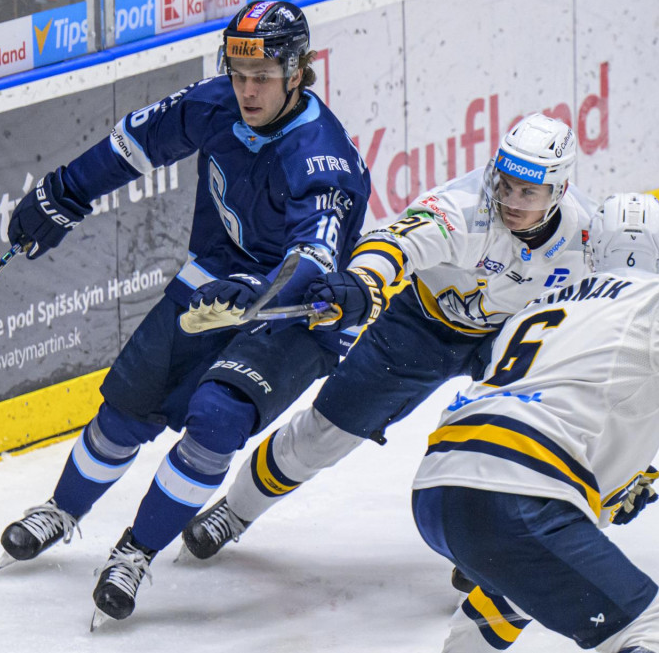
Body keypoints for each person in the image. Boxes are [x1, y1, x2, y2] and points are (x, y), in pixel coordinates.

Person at [0, 0, 371, 626]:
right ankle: (63, 510)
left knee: (217, 419)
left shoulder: (321, 159)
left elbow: (311, 264)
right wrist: (65, 192)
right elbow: (136, 143)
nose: (247, 91)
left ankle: (135, 552)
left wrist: (250, 292)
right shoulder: (217, 101)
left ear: (298, 71)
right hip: (217, 274)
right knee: (126, 409)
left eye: (263, 77)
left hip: (300, 314)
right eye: (238, 73)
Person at [182, 112, 598, 564]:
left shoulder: (590, 236)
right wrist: (363, 281)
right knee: (324, 433)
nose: (511, 200)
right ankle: (237, 511)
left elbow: (630, 307)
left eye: (528, 192)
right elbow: (397, 244)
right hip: (421, 324)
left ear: (558, 191)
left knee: (528, 434)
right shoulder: (463, 208)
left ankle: (494, 551)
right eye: (506, 185)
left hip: (514, 337)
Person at [407, 192, 659, 652]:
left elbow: (560, 402)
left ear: (592, 252)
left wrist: (599, 487)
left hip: (440, 490)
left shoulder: (535, 310)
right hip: (519, 487)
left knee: (519, 582)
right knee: (649, 627)